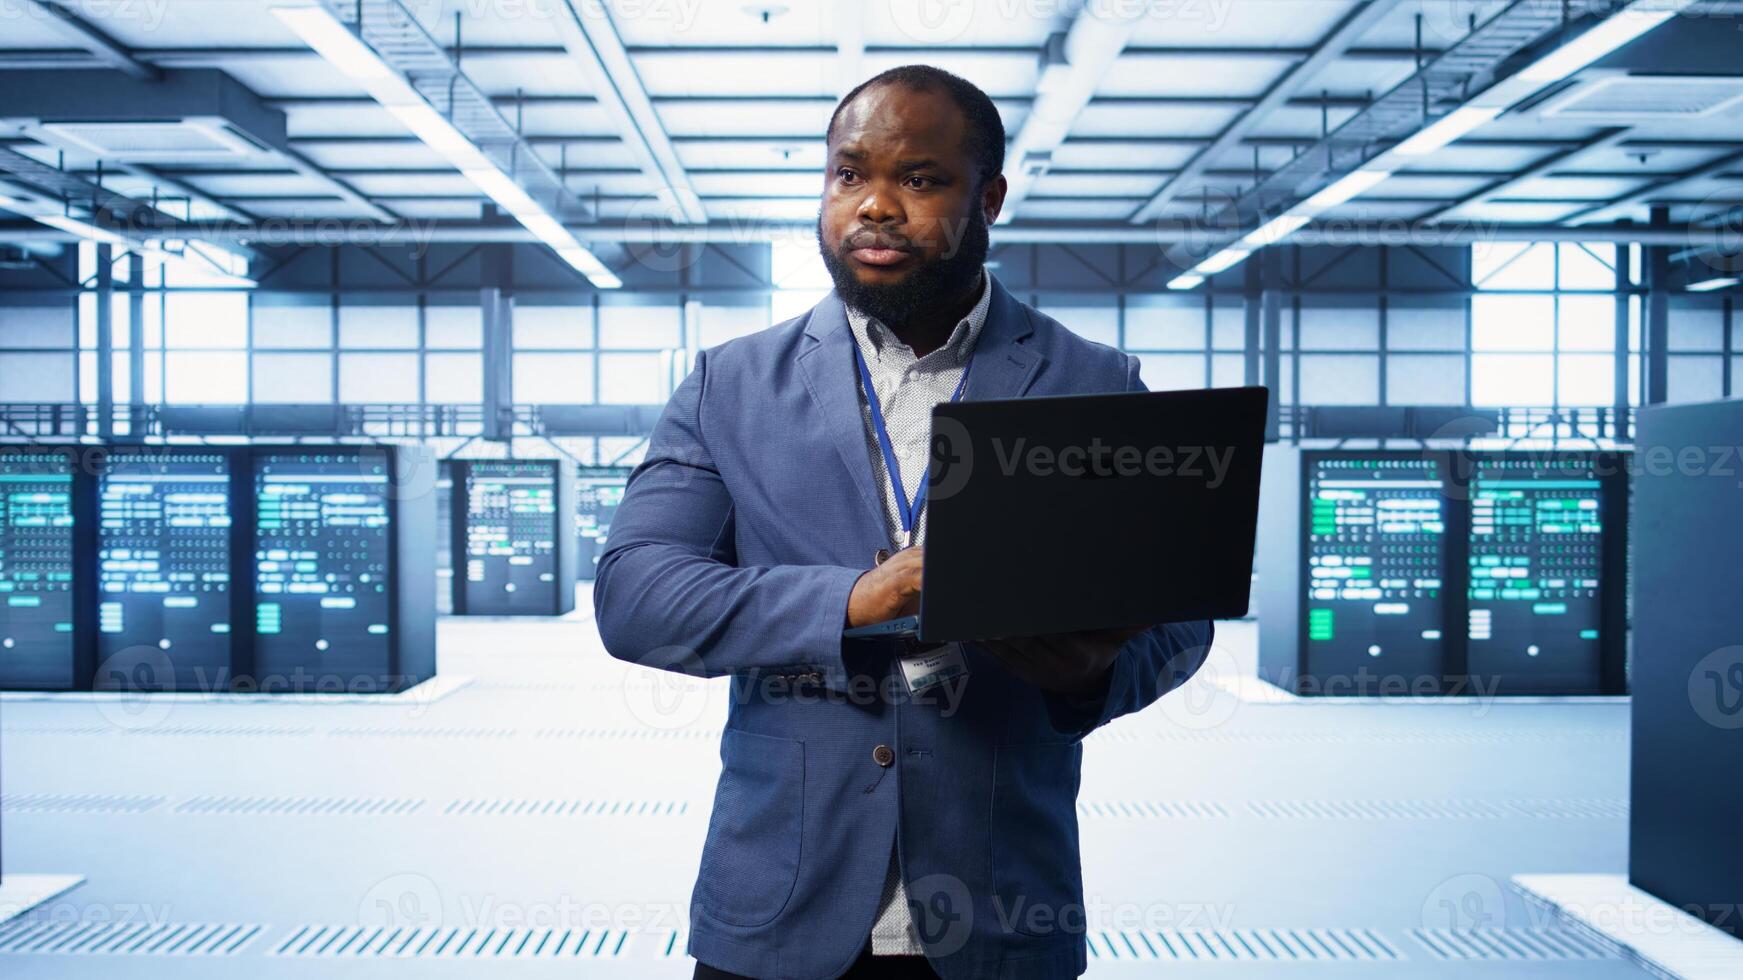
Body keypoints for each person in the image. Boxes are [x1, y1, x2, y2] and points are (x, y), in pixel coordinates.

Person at [596, 65, 1213, 980]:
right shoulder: (728, 384)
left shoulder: (1093, 382)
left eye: (919, 179)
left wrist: (1090, 677)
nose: (874, 206)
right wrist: (853, 598)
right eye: (849, 175)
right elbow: (636, 596)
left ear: (989, 197)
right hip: (778, 918)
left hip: (1001, 916)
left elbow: (1176, 621)